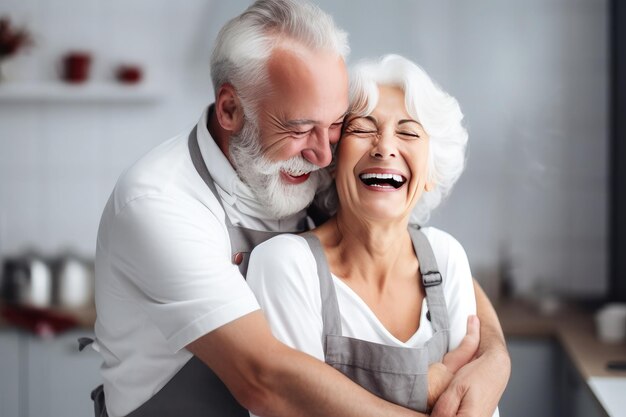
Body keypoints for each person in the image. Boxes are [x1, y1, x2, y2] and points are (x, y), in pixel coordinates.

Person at [92, 1, 510, 416]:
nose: (323, 154)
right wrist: (428, 387)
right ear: (230, 109)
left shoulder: (299, 168)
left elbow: (424, 261)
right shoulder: (160, 204)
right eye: (299, 128)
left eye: (334, 127)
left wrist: (494, 358)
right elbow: (264, 381)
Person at [247, 54, 504, 416]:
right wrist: (428, 388)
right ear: (333, 160)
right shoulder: (287, 266)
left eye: (408, 132)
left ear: (431, 170)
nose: (384, 147)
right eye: (363, 129)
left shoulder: (445, 257)